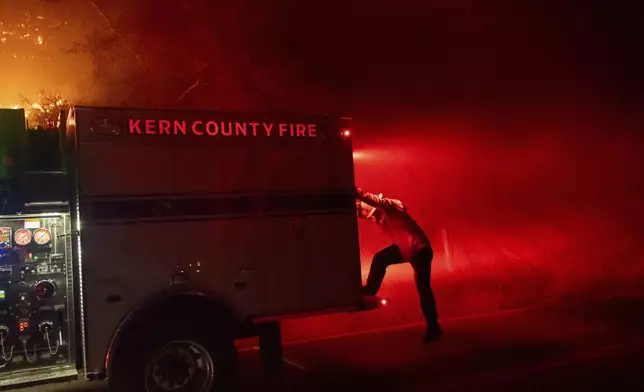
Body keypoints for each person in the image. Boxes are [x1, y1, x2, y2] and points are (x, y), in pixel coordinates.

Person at [356, 187, 442, 343]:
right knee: (381, 258)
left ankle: (433, 326)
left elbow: (374, 201)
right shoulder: (383, 216)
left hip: (418, 248)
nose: (372, 219)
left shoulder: (389, 206)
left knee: (423, 288)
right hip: (409, 249)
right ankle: (433, 326)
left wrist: (356, 192)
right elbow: (364, 211)